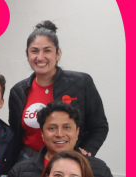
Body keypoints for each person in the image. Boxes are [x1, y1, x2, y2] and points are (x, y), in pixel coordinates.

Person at [9, 21, 108, 160]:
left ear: (58, 54)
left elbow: (99, 126)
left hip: (70, 160)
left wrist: (86, 150)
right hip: (28, 160)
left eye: (47, 50)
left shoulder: (81, 83)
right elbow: (15, 133)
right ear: (27, 55)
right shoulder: (18, 91)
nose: (40, 57)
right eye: (34, 51)